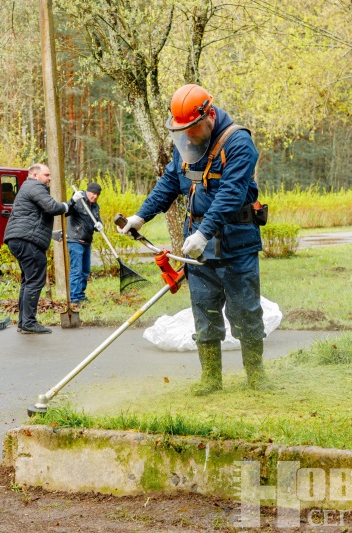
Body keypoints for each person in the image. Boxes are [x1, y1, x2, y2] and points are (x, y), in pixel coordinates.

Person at [119, 84, 269, 395]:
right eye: (182, 130)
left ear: (209, 115)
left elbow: (231, 194)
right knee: (204, 309)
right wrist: (141, 216)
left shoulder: (238, 142)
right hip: (199, 245)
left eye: (192, 128)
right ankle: (211, 379)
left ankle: (256, 376)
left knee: (245, 311)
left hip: (236, 242)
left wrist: (204, 232)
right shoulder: (187, 143)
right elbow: (170, 182)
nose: (187, 136)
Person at [4, 163, 68, 334]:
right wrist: (67, 205)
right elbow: (52, 207)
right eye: (46, 175)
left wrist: (53, 232)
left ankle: (23, 322)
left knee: (28, 281)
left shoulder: (28, 188)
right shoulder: (35, 187)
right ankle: (29, 323)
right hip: (27, 241)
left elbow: (39, 214)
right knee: (35, 281)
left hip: (19, 239)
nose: (49, 178)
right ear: (34, 175)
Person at [66, 183, 103, 311]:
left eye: (97, 195)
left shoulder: (95, 206)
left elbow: (96, 220)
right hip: (75, 240)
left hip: (87, 241)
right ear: (88, 192)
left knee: (85, 270)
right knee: (76, 270)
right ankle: (74, 298)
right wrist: (72, 201)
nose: (95, 196)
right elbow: (66, 212)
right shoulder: (79, 200)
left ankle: (81, 295)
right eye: (93, 193)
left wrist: (99, 225)